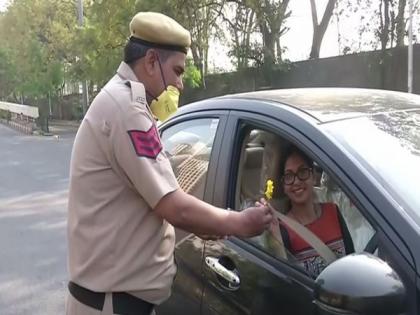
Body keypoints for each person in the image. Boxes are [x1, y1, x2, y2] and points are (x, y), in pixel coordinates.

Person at [66, 12, 273, 315]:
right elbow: (174, 207)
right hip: (113, 304)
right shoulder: (127, 110)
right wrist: (240, 222)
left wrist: (207, 224)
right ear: (150, 61)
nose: (179, 83)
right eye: (176, 71)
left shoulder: (122, 101)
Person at [265, 146, 354, 278]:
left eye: (302, 172)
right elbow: (285, 281)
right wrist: (276, 239)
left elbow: (353, 261)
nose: (296, 181)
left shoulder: (333, 211)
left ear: (313, 176)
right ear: (283, 186)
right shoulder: (282, 229)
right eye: (289, 176)